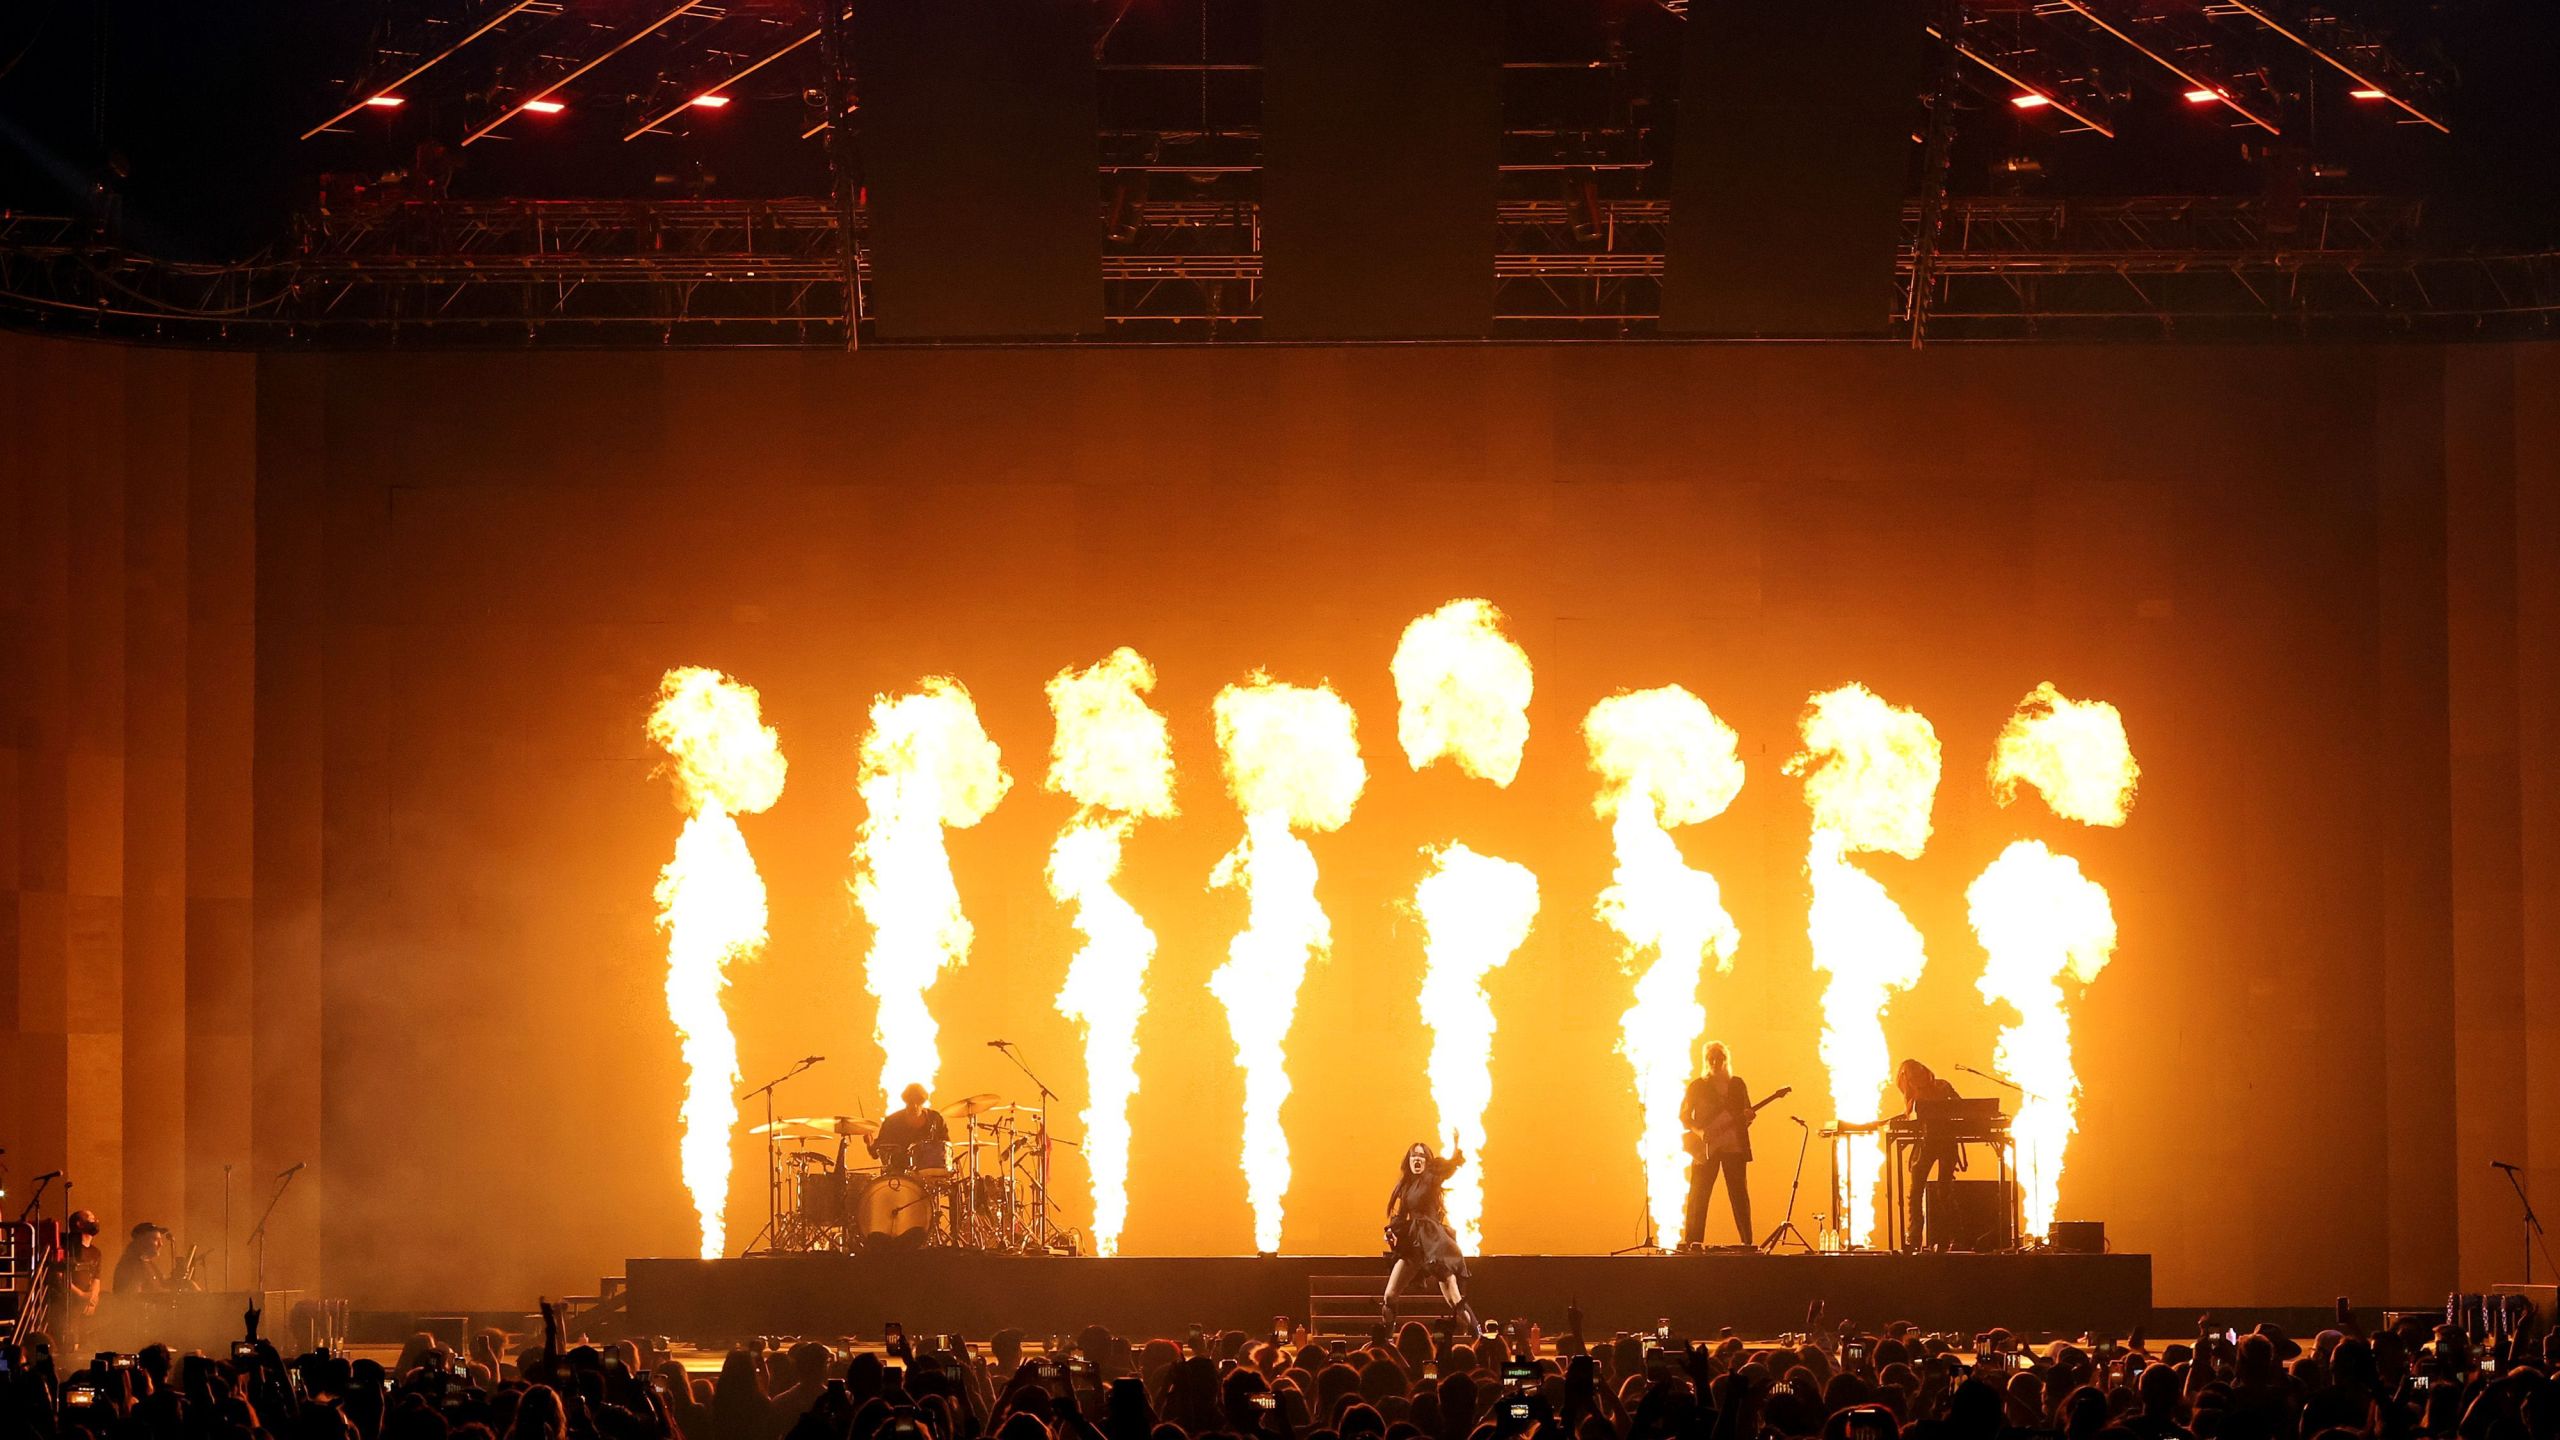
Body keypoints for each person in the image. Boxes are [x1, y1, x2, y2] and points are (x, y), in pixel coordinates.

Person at [1379, 1142, 1477, 1334]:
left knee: (1453, 1296)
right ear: (1408, 1160)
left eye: (1421, 1156)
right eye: (1413, 1155)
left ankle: (1477, 1334)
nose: (1417, 1159)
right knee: (1390, 1295)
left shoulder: (1431, 1177)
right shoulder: (1405, 1186)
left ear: (1427, 1161)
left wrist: (1456, 1149)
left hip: (1434, 1243)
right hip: (1414, 1244)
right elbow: (1401, 1215)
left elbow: (1447, 1170)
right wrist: (1390, 1231)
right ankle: (1387, 1339)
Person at [1680, 1041, 1755, 1250]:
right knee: (1699, 1194)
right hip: (1706, 1148)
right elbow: (1685, 1116)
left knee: (1739, 1193)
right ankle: (1692, 1241)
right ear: (1706, 1060)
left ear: (1726, 1059)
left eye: (1720, 1058)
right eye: (1711, 1058)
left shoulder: (1737, 1084)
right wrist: (1700, 1132)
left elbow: (1746, 1113)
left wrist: (1749, 1117)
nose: (1716, 1062)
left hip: (1734, 1146)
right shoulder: (1697, 1086)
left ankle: (1747, 1241)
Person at [1894, 1058, 1962, 1251]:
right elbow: (1913, 1115)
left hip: (1943, 1141)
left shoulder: (1941, 1086)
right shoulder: (1915, 1093)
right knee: (1919, 1191)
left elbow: (1961, 1107)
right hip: (1929, 1142)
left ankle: (1950, 1238)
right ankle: (1917, 1238)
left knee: (1940, 1190)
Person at [870, 1084, 951, 1175]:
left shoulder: (935, 1119)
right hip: (899, 1174)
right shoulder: (892, 1122)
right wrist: (870, 1143)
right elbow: (878, 1151)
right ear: (905, 1101)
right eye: (911, 1101)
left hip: (930, 1173)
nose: (914, 1105)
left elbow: (946, 1147)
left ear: (923, 1102)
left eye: (918, 1101)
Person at [113, 1221, 189, 1294]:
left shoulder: (148, 1263)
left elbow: (160, 1284)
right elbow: (134, 1297)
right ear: (141, 1240)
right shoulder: (131, 1265)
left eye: (161, 1240)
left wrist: (178, 1280)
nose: (161, 1244)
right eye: (155, 1239)